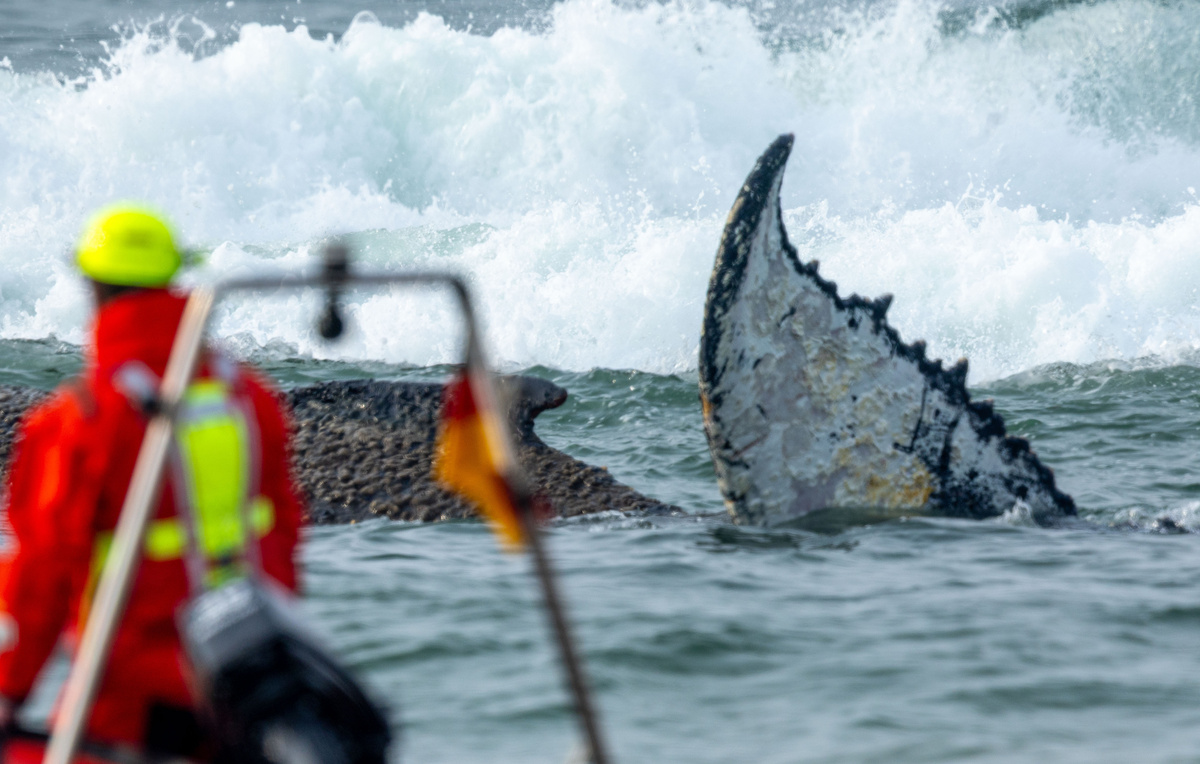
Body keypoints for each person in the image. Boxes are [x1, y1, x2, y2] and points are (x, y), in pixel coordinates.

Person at [0, 205, 305, 758]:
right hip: (246, 681)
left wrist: (8, 691)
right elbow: (283, 535)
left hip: (127, 694)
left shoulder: (81, 419)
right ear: (172, 283)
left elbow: (38, 576)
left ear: (93, 290)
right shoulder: (249, 400)